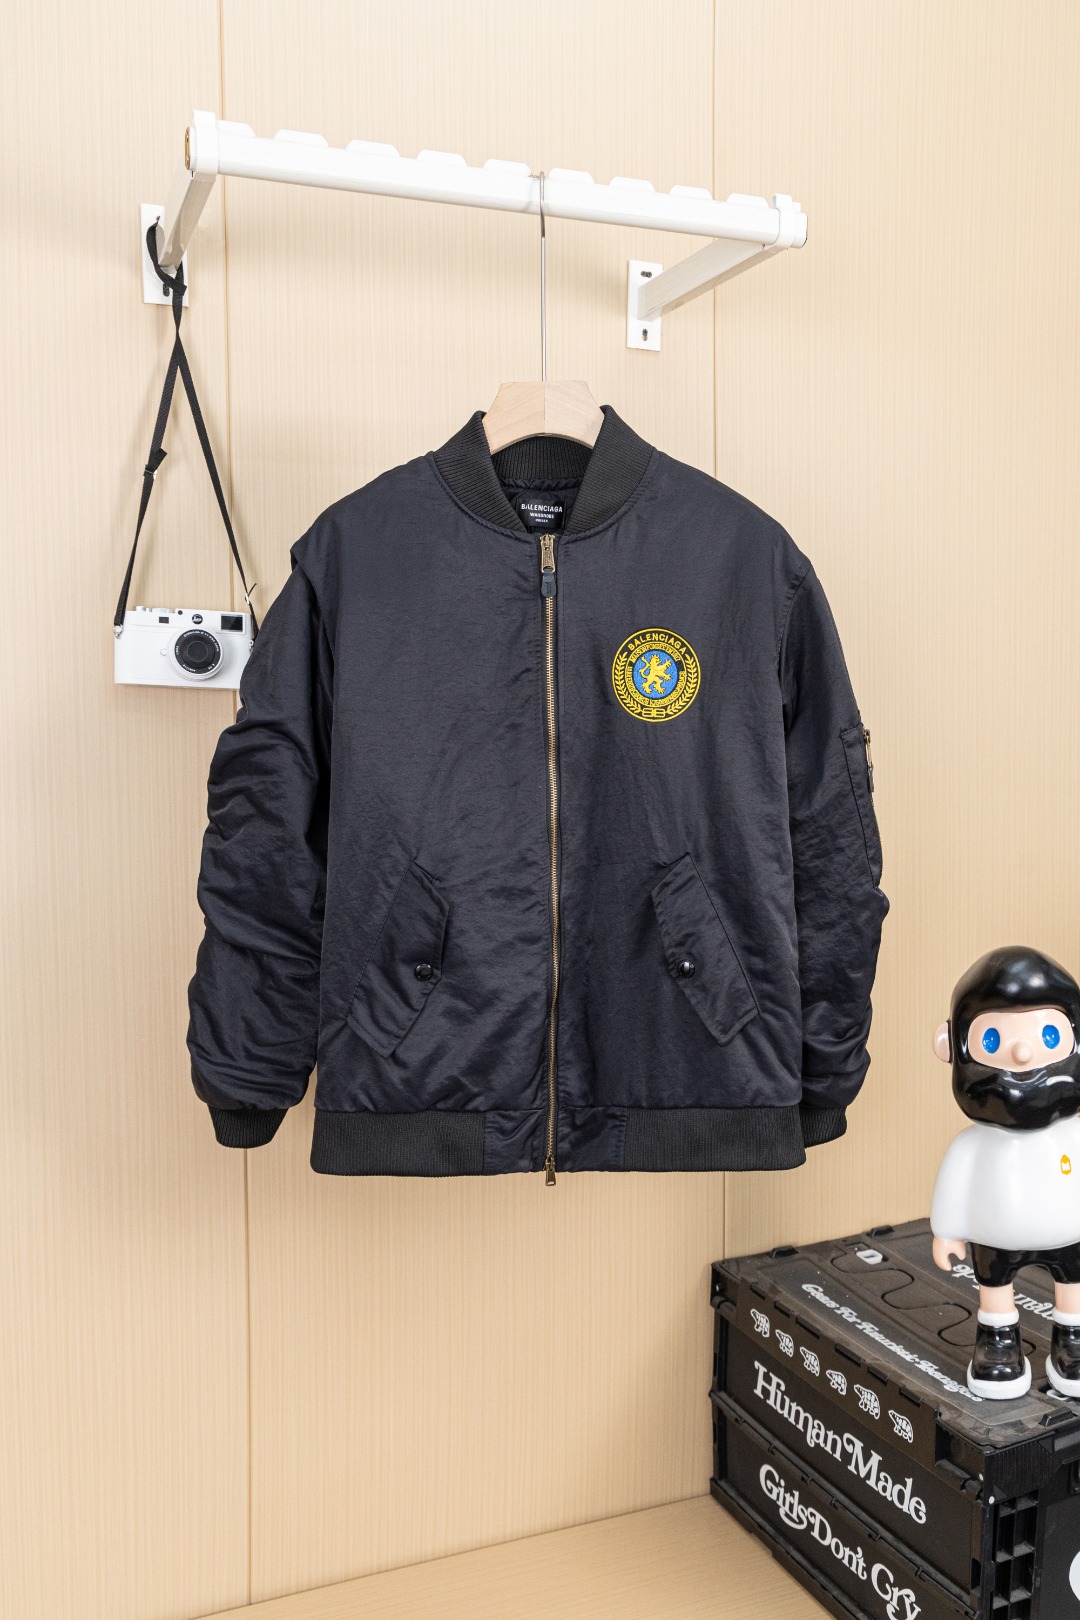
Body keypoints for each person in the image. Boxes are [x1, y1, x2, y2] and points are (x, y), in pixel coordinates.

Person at [930, 946, 1080, 1398]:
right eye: (992, 1040)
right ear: (950, 1047)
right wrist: (947, 1232)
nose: (1022, 1051)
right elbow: (955, 1185)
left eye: (1048, 1035)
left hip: (1070, 1232)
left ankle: (1072, 1340)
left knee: (1073, 1282)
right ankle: (998, 1343)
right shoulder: (974, 1145)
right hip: (995, 1236)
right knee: (995, 1283)